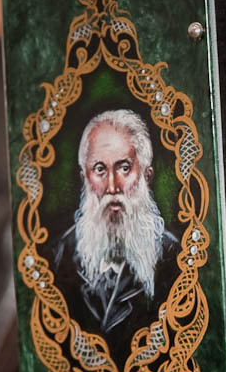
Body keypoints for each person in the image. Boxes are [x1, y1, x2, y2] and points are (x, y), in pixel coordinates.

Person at [51, 109, 178, 336]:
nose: (112, 187)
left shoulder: (174, 258)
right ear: (84, 178)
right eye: (100, 169)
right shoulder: (61, 255)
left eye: (124, 168)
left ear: (146, 176)